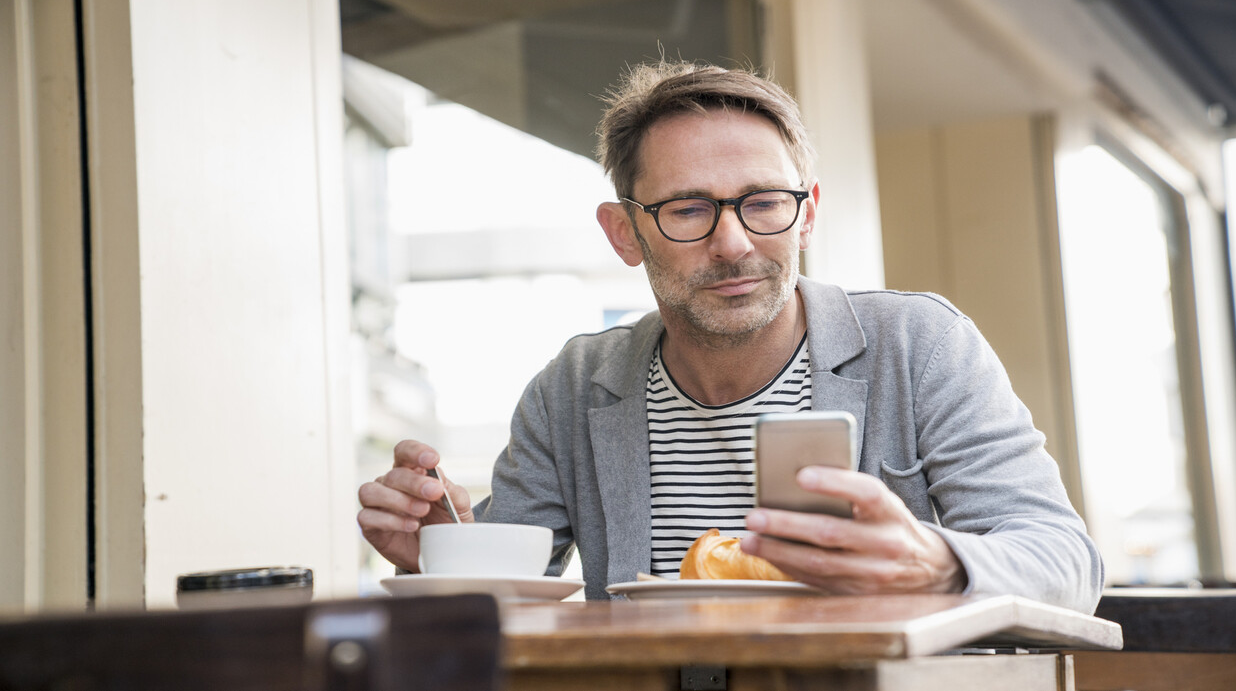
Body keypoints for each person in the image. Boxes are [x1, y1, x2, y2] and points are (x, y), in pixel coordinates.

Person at [357, 60, 1104, 613]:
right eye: (687, 209)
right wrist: (441, 548)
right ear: (625, 233)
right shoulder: (575, 386)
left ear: (807, 214)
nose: (735, 243)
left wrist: (931, 560)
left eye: (764, 203)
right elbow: (504, 596)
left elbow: (1067, 561)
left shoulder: (919, 344)